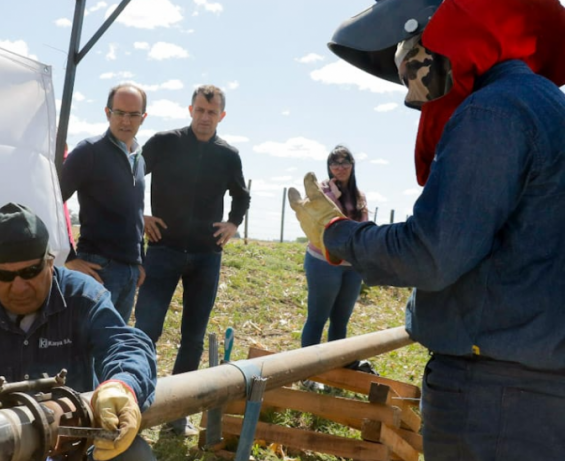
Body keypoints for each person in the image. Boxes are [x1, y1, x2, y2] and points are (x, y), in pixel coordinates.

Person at [290, 0, 565, 458]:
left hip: (491, 398)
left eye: (406, 53)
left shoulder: (491, 113)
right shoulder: (543, 104)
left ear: (442, 38)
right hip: (532, 387)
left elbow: (431, 255)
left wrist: (335, 233)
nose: (406, 84)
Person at [0, 203, 158, 461]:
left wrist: (122, 386)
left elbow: (126, 345)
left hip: (77, 448)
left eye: (30, 272)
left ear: (50, 262)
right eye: (4, 275)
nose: (19, 288)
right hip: (0, 452)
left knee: (134, 455)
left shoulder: (82, 296)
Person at [134, 85, 251, 436]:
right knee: (145, 332)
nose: (204, 117)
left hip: (205, 256)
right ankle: (135, 405)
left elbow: (241, 195)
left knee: (193, 337)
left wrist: (233, 223)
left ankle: (176, 415)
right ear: (190, 109)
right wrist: (140, 215)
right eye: (200, 110)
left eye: (211, 113)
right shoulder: (164, 142)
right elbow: (130, 174)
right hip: (163, 249)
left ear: (222, 116)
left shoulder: (228, 155)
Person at [60, 84, 148, 323]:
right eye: (119, 113)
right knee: (88, 347)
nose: (125, 121)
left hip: (129, 273)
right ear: (107, 113)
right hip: (97, 267)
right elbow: (53, 200)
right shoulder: (89, 151)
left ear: (143, 118)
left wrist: (139, 261)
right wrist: (67, 256)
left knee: (113, 347)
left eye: (133, 115)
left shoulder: (139, 159)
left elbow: (136, 213)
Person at [300, 146, 373, 386]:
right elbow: (326, 221)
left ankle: (334, 372)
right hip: (324, 261)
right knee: (317, 318)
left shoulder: (360, 196)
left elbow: (360, 229)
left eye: (345, 162)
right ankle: (308, 374)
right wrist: (334, 197)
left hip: (351, 266)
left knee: (341, 320)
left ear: (352, 165)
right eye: (334, 163)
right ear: (328, 167)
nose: (340, 167)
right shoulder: (320, 191)